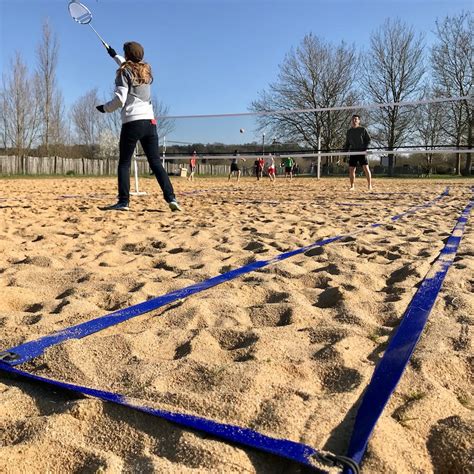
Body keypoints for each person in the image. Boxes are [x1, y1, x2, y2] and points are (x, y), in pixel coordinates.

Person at [96, 42, 181, 211]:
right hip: (150, 123)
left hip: (132, 123)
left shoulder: (123, 72)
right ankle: (171, 198)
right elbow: (128, 66)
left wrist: (105, 108)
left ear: (127, 55)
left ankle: (123, 201)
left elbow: (120, 100)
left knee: (124, 163)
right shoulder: (145, 71)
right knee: (156, 163)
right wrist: (113, 55)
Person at [344, 114, 372, 191]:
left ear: (359, 121)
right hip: (353, 152)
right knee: (351, 169)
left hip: (362, 152)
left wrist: (365, 148)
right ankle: (352, 186)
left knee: (366, 168)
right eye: (353, 119)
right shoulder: (349, 131)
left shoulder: (363, 129)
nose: (354, 121)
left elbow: (368, 140)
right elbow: (347, 143)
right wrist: (345, 152)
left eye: (356, 119)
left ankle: (369, 185)